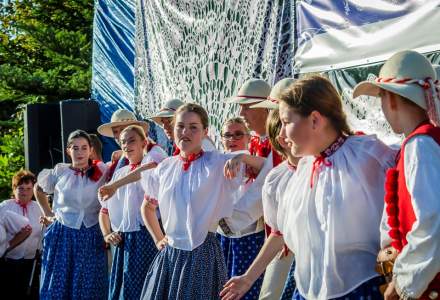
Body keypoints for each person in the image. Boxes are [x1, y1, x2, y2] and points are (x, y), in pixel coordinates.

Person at [100, 103, 265, 299]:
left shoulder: (217, 162)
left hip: (202, 253)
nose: (185, 132)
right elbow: (148, 207)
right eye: (180, 126)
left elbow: (266, 167)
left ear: (205, 132)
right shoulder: (166, 167)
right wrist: (158, 238)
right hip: (171, 255)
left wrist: (241, 158)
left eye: (193, 127)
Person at [276, 75, 396, 299]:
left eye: (286, 122)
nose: (281, 135)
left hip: (360, 286)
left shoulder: (367, 154)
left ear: (314, 120)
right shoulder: (306, 167)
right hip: (311, 287)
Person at [353, 50, 440, 300]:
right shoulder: (421, 142)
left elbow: (432, 223)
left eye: (381, 99)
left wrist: (404, 283)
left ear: (390, 99)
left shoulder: (420, 145)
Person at [221, 109, 299, 300]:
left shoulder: (274, 155)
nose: (242, 112)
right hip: (258, 236)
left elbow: (260, 191)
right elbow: (277, 230)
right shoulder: (272, 163)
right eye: (228, 135)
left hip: (253, 235)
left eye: (248, 107)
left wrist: (229, 220)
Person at [34, 130, 109, 299]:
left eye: (84, 148)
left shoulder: (102, 170)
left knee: (89, 284)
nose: (80, 152)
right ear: (68, 150)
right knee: (59, 283)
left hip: (91, 233)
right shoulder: (61, 171)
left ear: (91, 150)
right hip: (63, 233)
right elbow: (38, 188)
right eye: (75, 148)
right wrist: (49, 214)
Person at [99, 125, 167, 300]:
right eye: (123, 142)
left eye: (131, 140)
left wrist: (115, 185)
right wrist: (107, 234)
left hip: (147, 236)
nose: (126, 145)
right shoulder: (120, 172)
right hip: (125, 240)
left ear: (144, 142)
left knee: (150, 288)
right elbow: (104, 210)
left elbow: (145, 171)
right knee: (125, 290)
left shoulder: (150, 164)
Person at [217, 117, 266, 299]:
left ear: (248, 137)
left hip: (249, 237)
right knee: (222, 289)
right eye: (227, 135)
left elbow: (272, 168)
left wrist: (243, 157)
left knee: (244, 292)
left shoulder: (254, 160)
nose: (232, 139)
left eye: (238, 134)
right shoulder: (216, 161)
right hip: (222, 237)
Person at [0, 170, 42, 299]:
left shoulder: (39, 207)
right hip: (9, 263)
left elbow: (44, 233)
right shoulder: (4, 207)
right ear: (14, 189)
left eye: (29, 188)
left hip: (32, 263)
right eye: (21, 188)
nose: (25, 192)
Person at [150, 98, 216, 154]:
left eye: (169, 121)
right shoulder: (182, 144)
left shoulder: (202, 143)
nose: (164, 127)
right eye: (163, 122)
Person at [97, 108, 149, 179]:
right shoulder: (116, 162)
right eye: (115, 132)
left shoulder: (149, 154)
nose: (119, 135)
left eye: (123, 130)